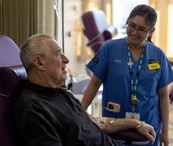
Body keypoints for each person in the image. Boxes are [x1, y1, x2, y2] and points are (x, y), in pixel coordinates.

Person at [13, 33, 156, 146]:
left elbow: (94, 122)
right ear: (39, 62)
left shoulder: (61, 93)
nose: (66, 59)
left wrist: (136, 123)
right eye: (58, 54)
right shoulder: (32, 109)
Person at [81, 4, 173, 146]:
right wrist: (79, 114)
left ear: (151, 31)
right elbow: (94, 83)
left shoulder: (158, 55)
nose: (135, 32)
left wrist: (166, 132)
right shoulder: (109, 48)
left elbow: (163, 94)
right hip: (115, 124)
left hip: (149, 126)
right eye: (132, 25)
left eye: (142, 29)